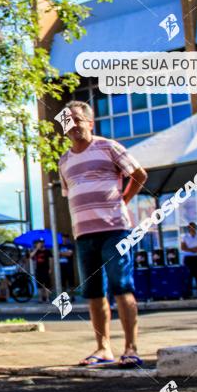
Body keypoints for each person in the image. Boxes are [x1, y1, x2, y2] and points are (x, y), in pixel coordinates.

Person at [58, 101, 148, 368]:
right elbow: (70, 194)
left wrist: (124, 199)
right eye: (68, 120)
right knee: (94, 293)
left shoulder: (108, 147)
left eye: (77, 119)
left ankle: (130, 348)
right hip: (84, 234)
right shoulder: (64, 160)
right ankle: (103, 348)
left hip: (115, 230)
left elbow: (140, 174)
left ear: (90, 122)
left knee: (122, 286)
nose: (72, 125)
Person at [181, 222, 197, 298]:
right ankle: (189, 293)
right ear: (188, 228)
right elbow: (183, 247)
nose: (192, 228)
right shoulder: (184, 237)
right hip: (189, 258)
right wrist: (192, 250)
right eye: (190, 227)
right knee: (189, 276)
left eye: (193, 227)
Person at [29, 238, 52, 303]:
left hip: (46, 269)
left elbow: (50, 260)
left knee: (47, 284)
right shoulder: (36, 251)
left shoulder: (47, 251)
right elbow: (30, 256)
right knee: (39, 285)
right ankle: (40, 298)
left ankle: (47, 298)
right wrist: (36, 249)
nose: (41, 244)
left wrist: (50, 268)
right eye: (39, 243)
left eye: (42, 242)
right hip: (38, 270)